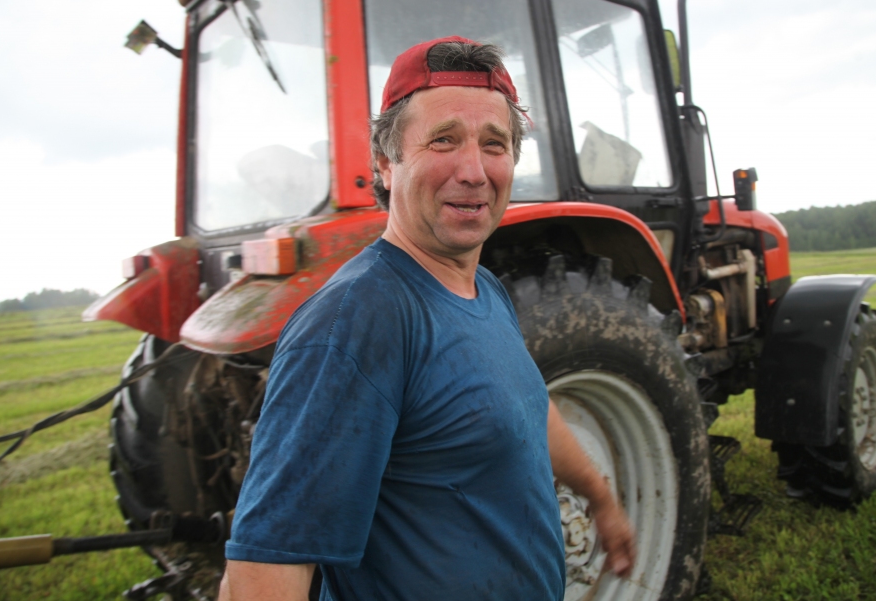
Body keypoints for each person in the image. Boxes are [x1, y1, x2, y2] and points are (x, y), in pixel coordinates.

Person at [219, 36, 636, 601]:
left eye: (495, 144)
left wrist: (600, 497)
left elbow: (524, 407)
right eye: (444, 140)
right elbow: (263, 574)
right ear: (385, 163)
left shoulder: (484, 288)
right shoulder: (356, 321)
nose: (474, 171)